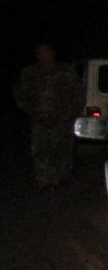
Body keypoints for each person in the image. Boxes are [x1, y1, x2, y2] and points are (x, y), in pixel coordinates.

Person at [13, 42, 83, 189]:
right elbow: (19, 95)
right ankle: (44, 180)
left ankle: (63, 179)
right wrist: (32, 111)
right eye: (40, 53)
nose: (44, 56)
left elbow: (77, 95)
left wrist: (69, 114)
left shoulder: (66, 71)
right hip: (39, 120)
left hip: (63, 120)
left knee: (63, 150)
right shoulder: (30, 73)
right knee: (41, 151)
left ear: (53, 53)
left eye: (46, 52)